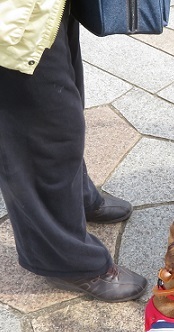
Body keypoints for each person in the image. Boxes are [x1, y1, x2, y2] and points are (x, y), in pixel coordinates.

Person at [0, 0, 148, 302]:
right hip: (12, 18)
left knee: (66, 99)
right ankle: (64, 259)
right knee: (45, 131)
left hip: (40, 9)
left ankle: (75, 199)